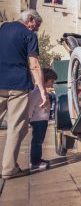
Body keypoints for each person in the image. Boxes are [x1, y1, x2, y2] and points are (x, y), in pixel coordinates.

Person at [0, 9, 47, 180]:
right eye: (37, 24)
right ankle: (9, 168)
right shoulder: (29, 35)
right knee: (16, 127)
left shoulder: (2, 27)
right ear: (30, 19)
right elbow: (34, 65)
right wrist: (42, 91)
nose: (37, 29)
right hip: (18, 86)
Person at [29, 68, 58, 171]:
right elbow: (31, 106)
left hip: (42, 120)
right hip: (38, 120)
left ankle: (37, 159)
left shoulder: (42, 91)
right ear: (45, 79)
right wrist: (28, 118)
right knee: (37, 141)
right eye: (51, 81)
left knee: (39, 141)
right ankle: (35, 162)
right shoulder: (37, 92)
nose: (52, 83)